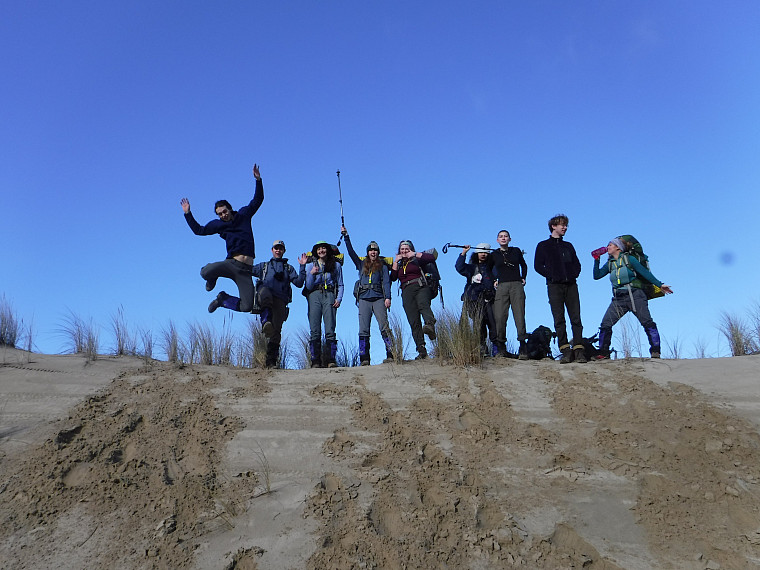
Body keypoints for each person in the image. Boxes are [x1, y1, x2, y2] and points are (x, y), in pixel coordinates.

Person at [180, 164, 264, 314]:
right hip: (231, 264)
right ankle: (213, 277)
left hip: (245, 270)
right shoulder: (218, 225)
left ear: (230, 209)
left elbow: (257, 200)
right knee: (205, 272)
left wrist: (258, 180)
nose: (223, 215)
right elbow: (199, 230)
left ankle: (223, 299)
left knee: (247, 307)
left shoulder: (243, 215)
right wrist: (188, 214)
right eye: (219, 214)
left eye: (224, 211)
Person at [592, 238, 673, 359]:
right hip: (618, 298)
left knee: (647, 322)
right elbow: (597, 276)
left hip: (635, 295)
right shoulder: (610, 263)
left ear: (618, 247)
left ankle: (655, 350)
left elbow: (644, 272)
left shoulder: (629, 259)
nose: (607, 247)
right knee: (605, 324)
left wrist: (659, 284)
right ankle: (603, 352)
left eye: (610, 245)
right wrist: (596, 260)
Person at [534, 214, 586, 364]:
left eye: (566, 225)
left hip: (571, 285)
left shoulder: (568, 245)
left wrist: (573, 274)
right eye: (562, 225)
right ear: (553, 226)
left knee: (576, 318)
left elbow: (577, 264)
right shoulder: (543, 245)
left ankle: (578, 349)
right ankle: (565, 350)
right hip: (554, 286)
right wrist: (551, 276)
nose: (564, 227)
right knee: (559, 319)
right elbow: (538, 266)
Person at [341, 226, 394, 365]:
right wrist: (346, 236)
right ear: (367, 252)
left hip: (379, 298)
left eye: (375, 250)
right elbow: (351, 252)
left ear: (378, 252)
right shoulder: (361, 263)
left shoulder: (382, 266)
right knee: (363, 329)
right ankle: (364, 359)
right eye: (371, 250)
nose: (373, 252)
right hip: (364, 298)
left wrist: (388, 297)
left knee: (384, 326)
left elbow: (386, 282)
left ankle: (391, 354)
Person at [252, 240, 308, 368]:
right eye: (276, 248)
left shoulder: (288, 268)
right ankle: (265, 320)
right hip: (266, 296)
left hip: (281, 301)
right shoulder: (264, 266)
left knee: (276, 331)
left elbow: (299, 283)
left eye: (280, 249)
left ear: (284, 251)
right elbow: (248, 270)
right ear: (272, 250)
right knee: (264, 293)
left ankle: (271, 361)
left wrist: (303, 267)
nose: (278, 250)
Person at [391, 240, 437, 360]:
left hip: (421, 286)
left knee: (423, 304)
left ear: (411, 249)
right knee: (413, 320)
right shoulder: (400, 263)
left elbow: (431, 258)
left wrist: (415, 254)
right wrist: (396, 261)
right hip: (406, 291)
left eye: (407, 249)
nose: (404, 251)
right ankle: (421, 350)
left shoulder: (417, 259)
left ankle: (430, 325)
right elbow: (393, 277)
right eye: (402, 249)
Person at [304, 241, 344, 368]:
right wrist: (311, 274)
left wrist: (339, 298)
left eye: (324, 249)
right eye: (319, 249)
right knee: (315, 329)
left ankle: (330, 360)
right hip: (314, 295)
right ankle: (315, 361)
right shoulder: (311, 265)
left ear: (328, 250)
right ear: (316, 251)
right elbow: (308, 286)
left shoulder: (336, 265)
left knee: (330, 328)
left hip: (330, 294)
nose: (321, 251)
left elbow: (341, 284)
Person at [490, 230, 529, 359]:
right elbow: (488, 269)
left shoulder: (516, 251)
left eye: (505, 236)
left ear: (509, 239)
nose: (503, 238)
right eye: (501, 236)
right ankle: (501, 347)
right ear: (497, 240)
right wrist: (494, 280)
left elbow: (524, 265)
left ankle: (523, 346)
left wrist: (523, 277)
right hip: (502, 287)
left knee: (519, 315)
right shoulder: (494, 254)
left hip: (516, 285)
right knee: (500, 316)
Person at [455, 244, 497, 357]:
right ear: (476, 254)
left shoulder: (492, 267)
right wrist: (463, 253)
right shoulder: (471, 267)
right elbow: (459, 267)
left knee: (493, 323)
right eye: (481, 252)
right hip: (473, 299)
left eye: (485, 252)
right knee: (479, 324)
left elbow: (499, 275)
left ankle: (496, 348)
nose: (483, 254)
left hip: (489, 298)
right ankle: (482, 347)